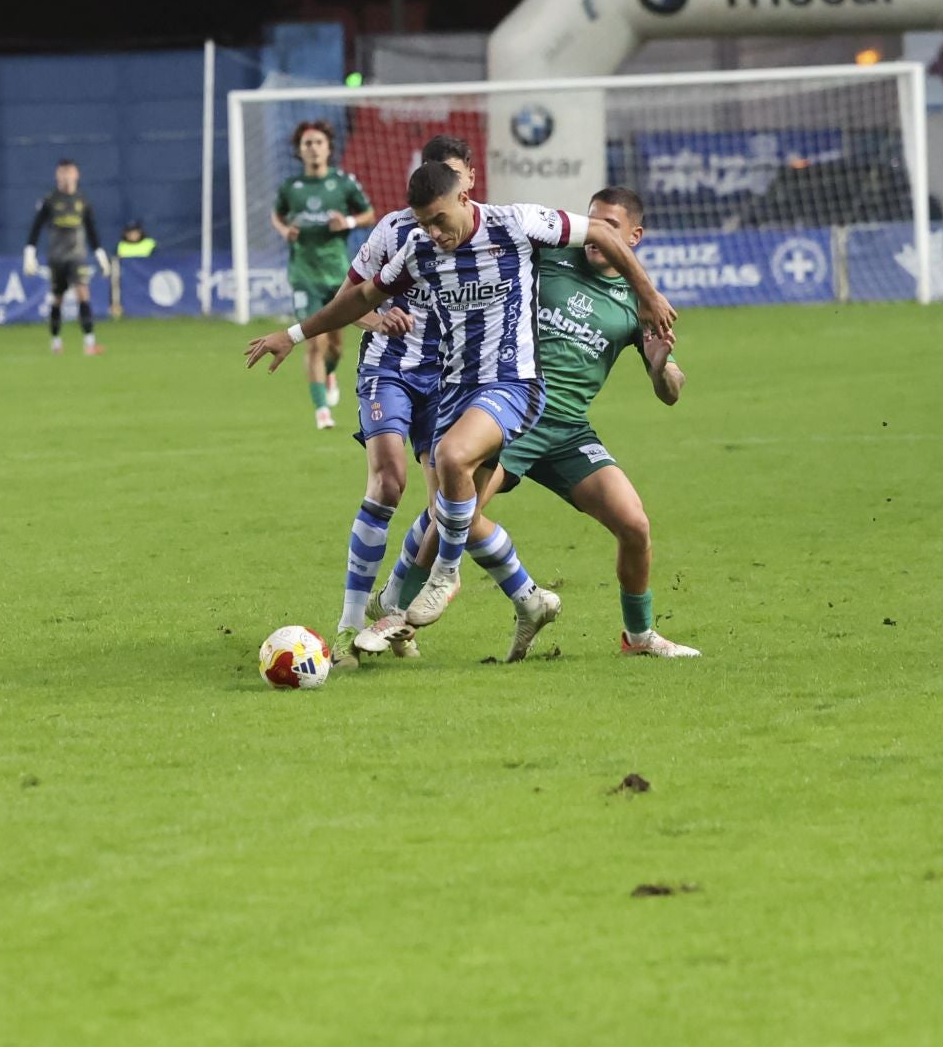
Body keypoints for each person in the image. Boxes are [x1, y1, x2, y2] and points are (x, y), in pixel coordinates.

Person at [247, 161, 675, 661]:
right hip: (458, 391)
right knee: (450, 508)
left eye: (439, 219)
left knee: (457, 464)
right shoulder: (428, 249)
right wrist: (294, 334)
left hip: (520, 391)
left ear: (465, 196)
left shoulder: (519, 225)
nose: (433, 232)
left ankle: (445, 582)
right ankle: (425, 605)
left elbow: (605, 237)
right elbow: (361, 297)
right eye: (423, 221)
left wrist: (648, 297)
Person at [362, 187, 700, 659]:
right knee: (454, 511)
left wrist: (660, 367)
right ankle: (393, 613)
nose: (596, 234)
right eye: (593, 222)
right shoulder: (547, 259)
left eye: (611, 228)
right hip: (515, 412)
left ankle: (638, 637)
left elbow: (671, 393)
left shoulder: (635, 304)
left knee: (635, 525)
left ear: (635, 237)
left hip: (567, 430)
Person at [295, 134, 473, 668]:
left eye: (453, 174)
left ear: (467, 182)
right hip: (388, 369)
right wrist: (378, 318)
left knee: (444, 509)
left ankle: (392, 609)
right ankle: (350, 625)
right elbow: (347, 300)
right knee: (388, 480)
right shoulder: (395, 230)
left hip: (450, 378)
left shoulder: (491, 236)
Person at [271, 119, 376, 429]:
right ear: (299, 151)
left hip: (337, 275)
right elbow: (276, 214)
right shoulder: (292, 188)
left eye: (318, 142)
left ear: (329, 148)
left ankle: (329, 373)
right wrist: (284, 230)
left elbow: (369, 214)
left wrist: (348, 223)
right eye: (307, 144)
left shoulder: (343, 184)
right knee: (313, 343)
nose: (313, 148)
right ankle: (321, 411)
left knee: (335, 346)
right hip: (304, 274)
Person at [23, 159, 110, 355]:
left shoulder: (82, 201)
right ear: (57, 176)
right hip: (56, 257)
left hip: (77, 256)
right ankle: (55, 342)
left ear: (76, 175)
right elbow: (35, 228)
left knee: (83, 293)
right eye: (62, 173)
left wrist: (101, 256)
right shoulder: (50, 200)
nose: (66, 176)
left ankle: (89, 343)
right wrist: (29, 254)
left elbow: (92, 229)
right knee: (57, 299)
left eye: (69, 172)